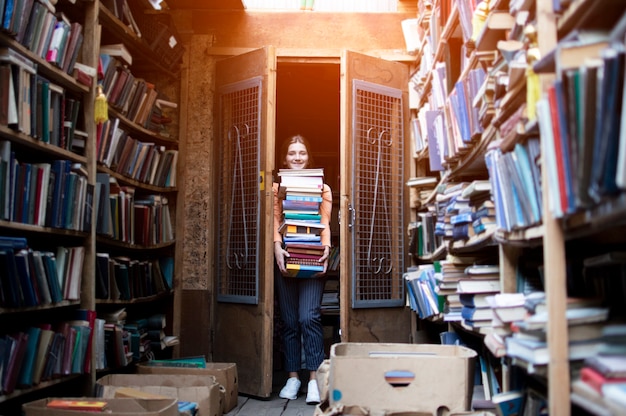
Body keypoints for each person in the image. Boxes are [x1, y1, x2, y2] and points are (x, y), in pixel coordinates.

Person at [273, 134, 332, 405]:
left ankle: (315, 381)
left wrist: (326, 249)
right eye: (292, 153)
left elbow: (325, 221)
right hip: (286, 257)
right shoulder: (276, 190)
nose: (297, 157)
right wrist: (277, 248)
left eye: (302, 153)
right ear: (284, 159)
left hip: (312, 257)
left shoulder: (323, 190)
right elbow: (275, 221)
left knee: (308, 317)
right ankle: (293, 377)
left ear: (310, 158)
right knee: (288, 321)